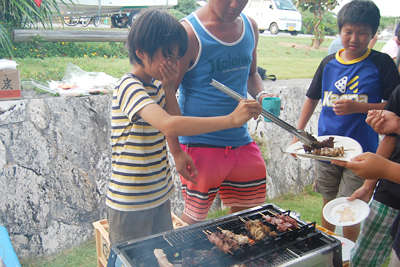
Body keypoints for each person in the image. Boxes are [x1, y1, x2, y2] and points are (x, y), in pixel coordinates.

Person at [105, 9, 262, 248]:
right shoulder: (129, 86)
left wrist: (169, 89)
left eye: (176, 57)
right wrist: (230, 120)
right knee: (132, 261)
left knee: (162, 257)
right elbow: (169, 123)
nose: (175, 64)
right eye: (168, 56)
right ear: (141, 52)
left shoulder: (157, 87)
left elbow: (173, 126)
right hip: (131, 202)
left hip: (159, 195)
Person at [290, 0, 400, 243]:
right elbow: (311, 98)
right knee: (329, 200)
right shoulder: (329, 62)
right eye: (348, 31)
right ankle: (326, 245)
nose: (354, 38)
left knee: (351, 203)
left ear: (373, 34)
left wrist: (358, 107)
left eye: (362, 33)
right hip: (325, 147)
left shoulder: (381, 63)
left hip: (360, 150)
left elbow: (393, 106)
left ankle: (348, 252)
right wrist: (299, 132)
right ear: (340, 31)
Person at [172, 0, 273, 225]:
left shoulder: (251, 27)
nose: (235, 4)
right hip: (200, 143)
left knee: (250, 214)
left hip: (240, 139)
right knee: (194, 219)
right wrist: (176, 150)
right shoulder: (188, 33)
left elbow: (252, 74)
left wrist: (262, 96)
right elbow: (168, 94)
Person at [332, 85, 400, 267]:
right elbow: (391, 138)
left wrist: (384, 169)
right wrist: (368, 185)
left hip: (391, 174)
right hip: (391, 191)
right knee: (361, 260)